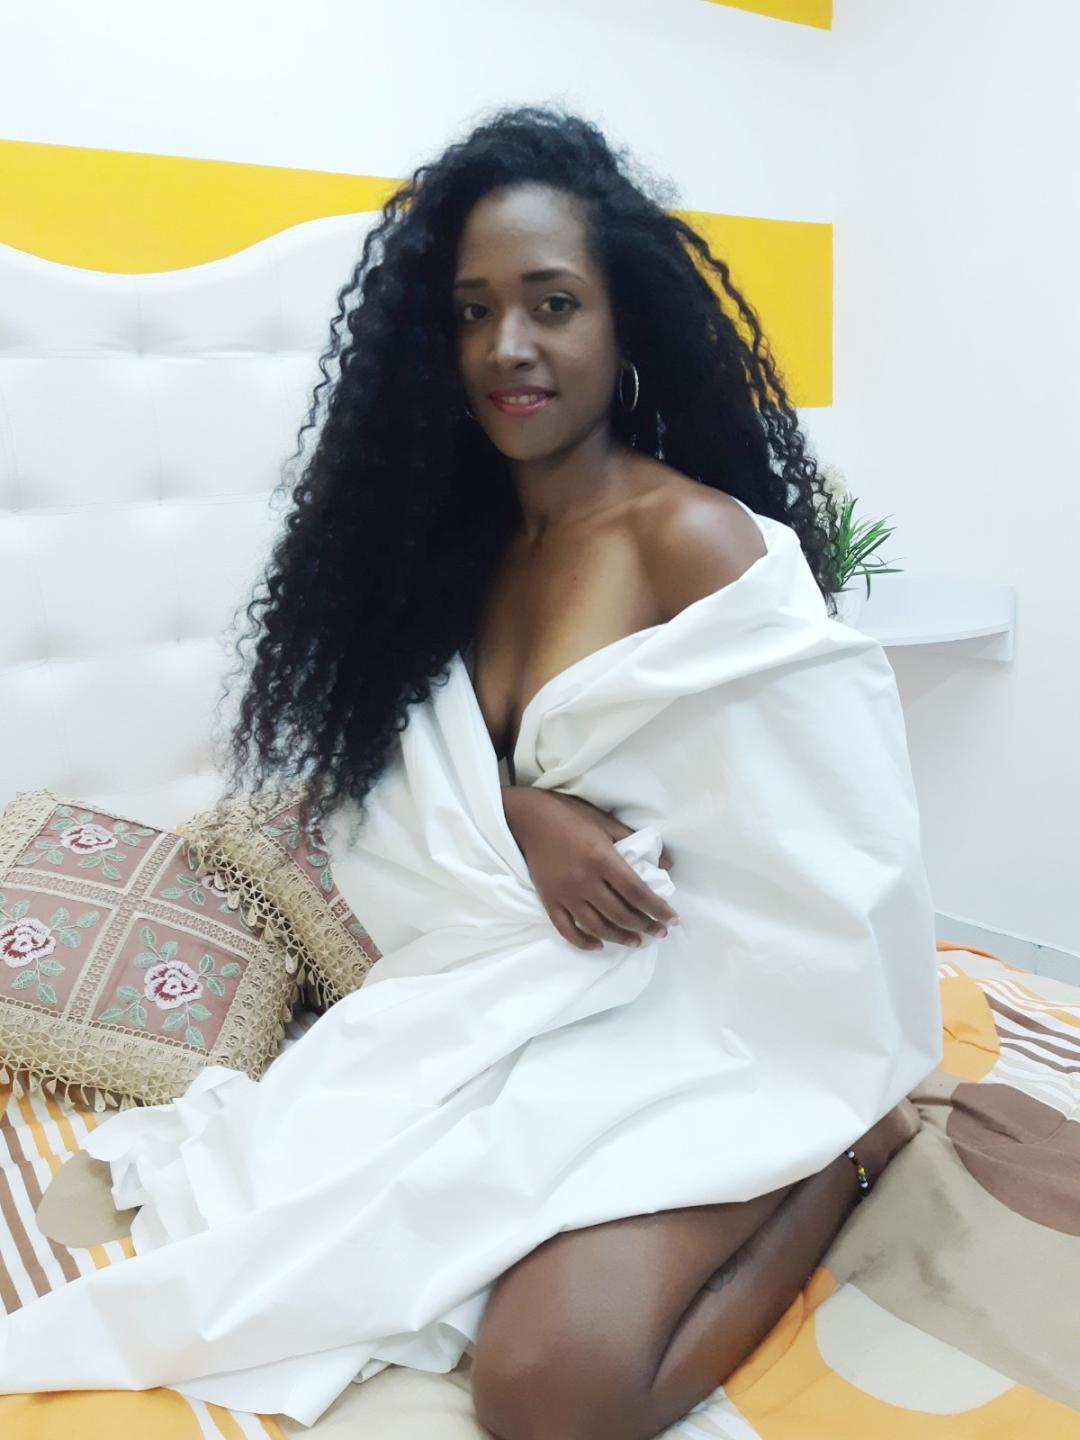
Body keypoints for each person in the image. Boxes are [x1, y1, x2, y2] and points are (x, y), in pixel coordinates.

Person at [2, 105, 939, 1438]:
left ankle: (847, 1152)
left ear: (622, 321)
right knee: (305, 1223)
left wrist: (815, 1061)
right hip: (512, 1007)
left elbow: (836, 860)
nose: (508, 347)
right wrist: (519, 813)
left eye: (552, 304)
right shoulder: (456, 554)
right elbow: (406, 815)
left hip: (714, 1016)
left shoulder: (693, 541)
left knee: (547, 1392)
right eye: (470, 312)